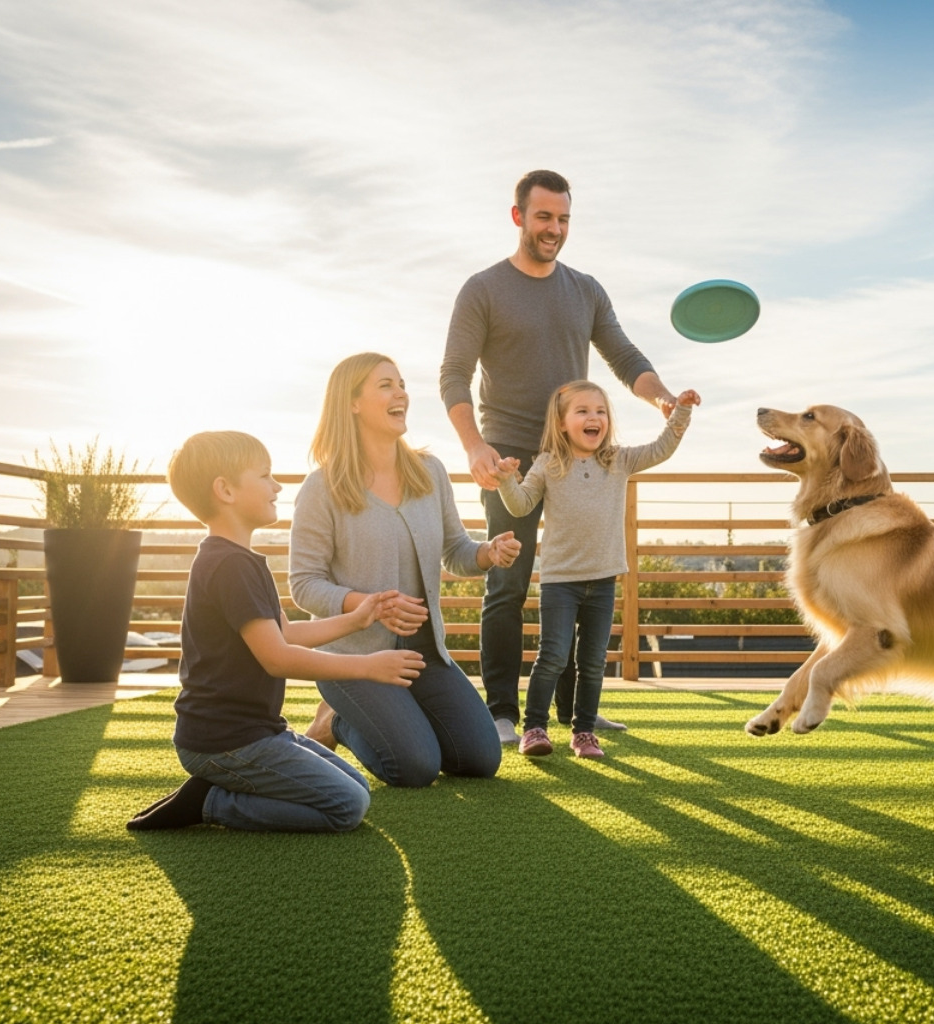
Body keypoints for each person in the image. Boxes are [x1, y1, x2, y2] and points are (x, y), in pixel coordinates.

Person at [440, 168, 698, 743]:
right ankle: (502, 711)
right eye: (543, 217)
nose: (554, 229)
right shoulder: (482, 288)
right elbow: (453, 375)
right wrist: (475, 447)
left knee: (583, 578)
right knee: (509, 580)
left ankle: (576, 712)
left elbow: (624, 355)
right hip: (509, 455)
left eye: (562, 219)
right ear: (518, 217)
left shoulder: (585, 289)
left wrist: (661, 398)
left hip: (574, 455)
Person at [128, 430, 423, 832]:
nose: (277, 485)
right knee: (347, 805)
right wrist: (368, 666)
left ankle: (217, 789)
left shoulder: (241, 561)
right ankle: (210, 802)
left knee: (353, 784)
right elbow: (277, 658)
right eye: (265, 476)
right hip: (225, 741)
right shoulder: (230, 566)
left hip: (255, 732)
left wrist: (356, 619)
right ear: (225, 490)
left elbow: (285, 634)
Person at [291, 353, 520, 788]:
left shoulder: (429, 472)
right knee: (414, 767)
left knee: (480, 758)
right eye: (385, 385)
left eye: (401, 384)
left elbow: (455, 550)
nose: (401, 393)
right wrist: (368, 606)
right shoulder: (322, 487)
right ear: (352, 402)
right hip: (355, 660)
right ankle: (335, 721)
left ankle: (399, 716)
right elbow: (304, 584)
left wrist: (488, 553)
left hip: (423, 654)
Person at [494, 380, 699, 758]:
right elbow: (520, 506)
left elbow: (662, 448)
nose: (594, 418)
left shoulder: (618, 460)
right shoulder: (548, 464)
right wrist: (507, 479)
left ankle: (583, 732)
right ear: (562, 423)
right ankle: (535, 728)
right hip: (560, 582)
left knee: (592, 661)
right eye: (583, 411)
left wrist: (680, 413)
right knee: (553, 655)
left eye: (601, 411)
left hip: (603, 581)